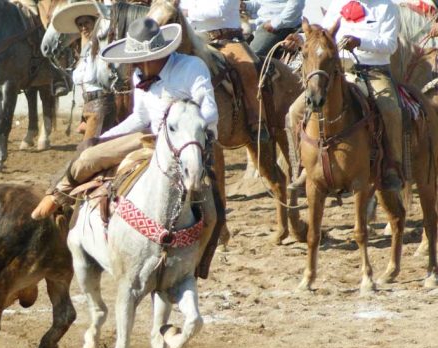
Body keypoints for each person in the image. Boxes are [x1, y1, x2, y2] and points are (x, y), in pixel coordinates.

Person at [31, 17, 218, 219]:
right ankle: (58, 197)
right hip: (150, 138)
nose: (134, 66)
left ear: (153, 57)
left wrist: (189, 134)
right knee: (88, 156)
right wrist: (102, 138)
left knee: (210, 207)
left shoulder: (191, 67)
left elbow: (209, 111)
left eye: (137, 61)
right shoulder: (141, 75)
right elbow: (140, 116)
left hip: (187, 143)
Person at [286, 0, 403, 191]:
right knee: (294, 111)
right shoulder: (338, 4)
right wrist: (300, 38)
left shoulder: (387, 7)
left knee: (390, 109)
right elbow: (323, 35)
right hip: (337, 71)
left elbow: (390, 45)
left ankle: (392, 166)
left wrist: (360, 42)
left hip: (373, 71)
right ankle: (302, 166)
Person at [180, 0, 270, 142]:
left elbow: (219, 10)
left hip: (227, 39)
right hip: (196, 39)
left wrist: (188, 11)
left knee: (248, 68)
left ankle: (257, 120)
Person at [51, 1, 116, 138]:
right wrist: (83, 43)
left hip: (100, 104)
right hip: (90, 105)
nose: (83, 27)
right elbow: (77, 78)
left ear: (95, 23)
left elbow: (91, 77)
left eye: (86, 23)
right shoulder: (86, 49)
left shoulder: (103, 46)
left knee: (86, 151)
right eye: (80, 25)